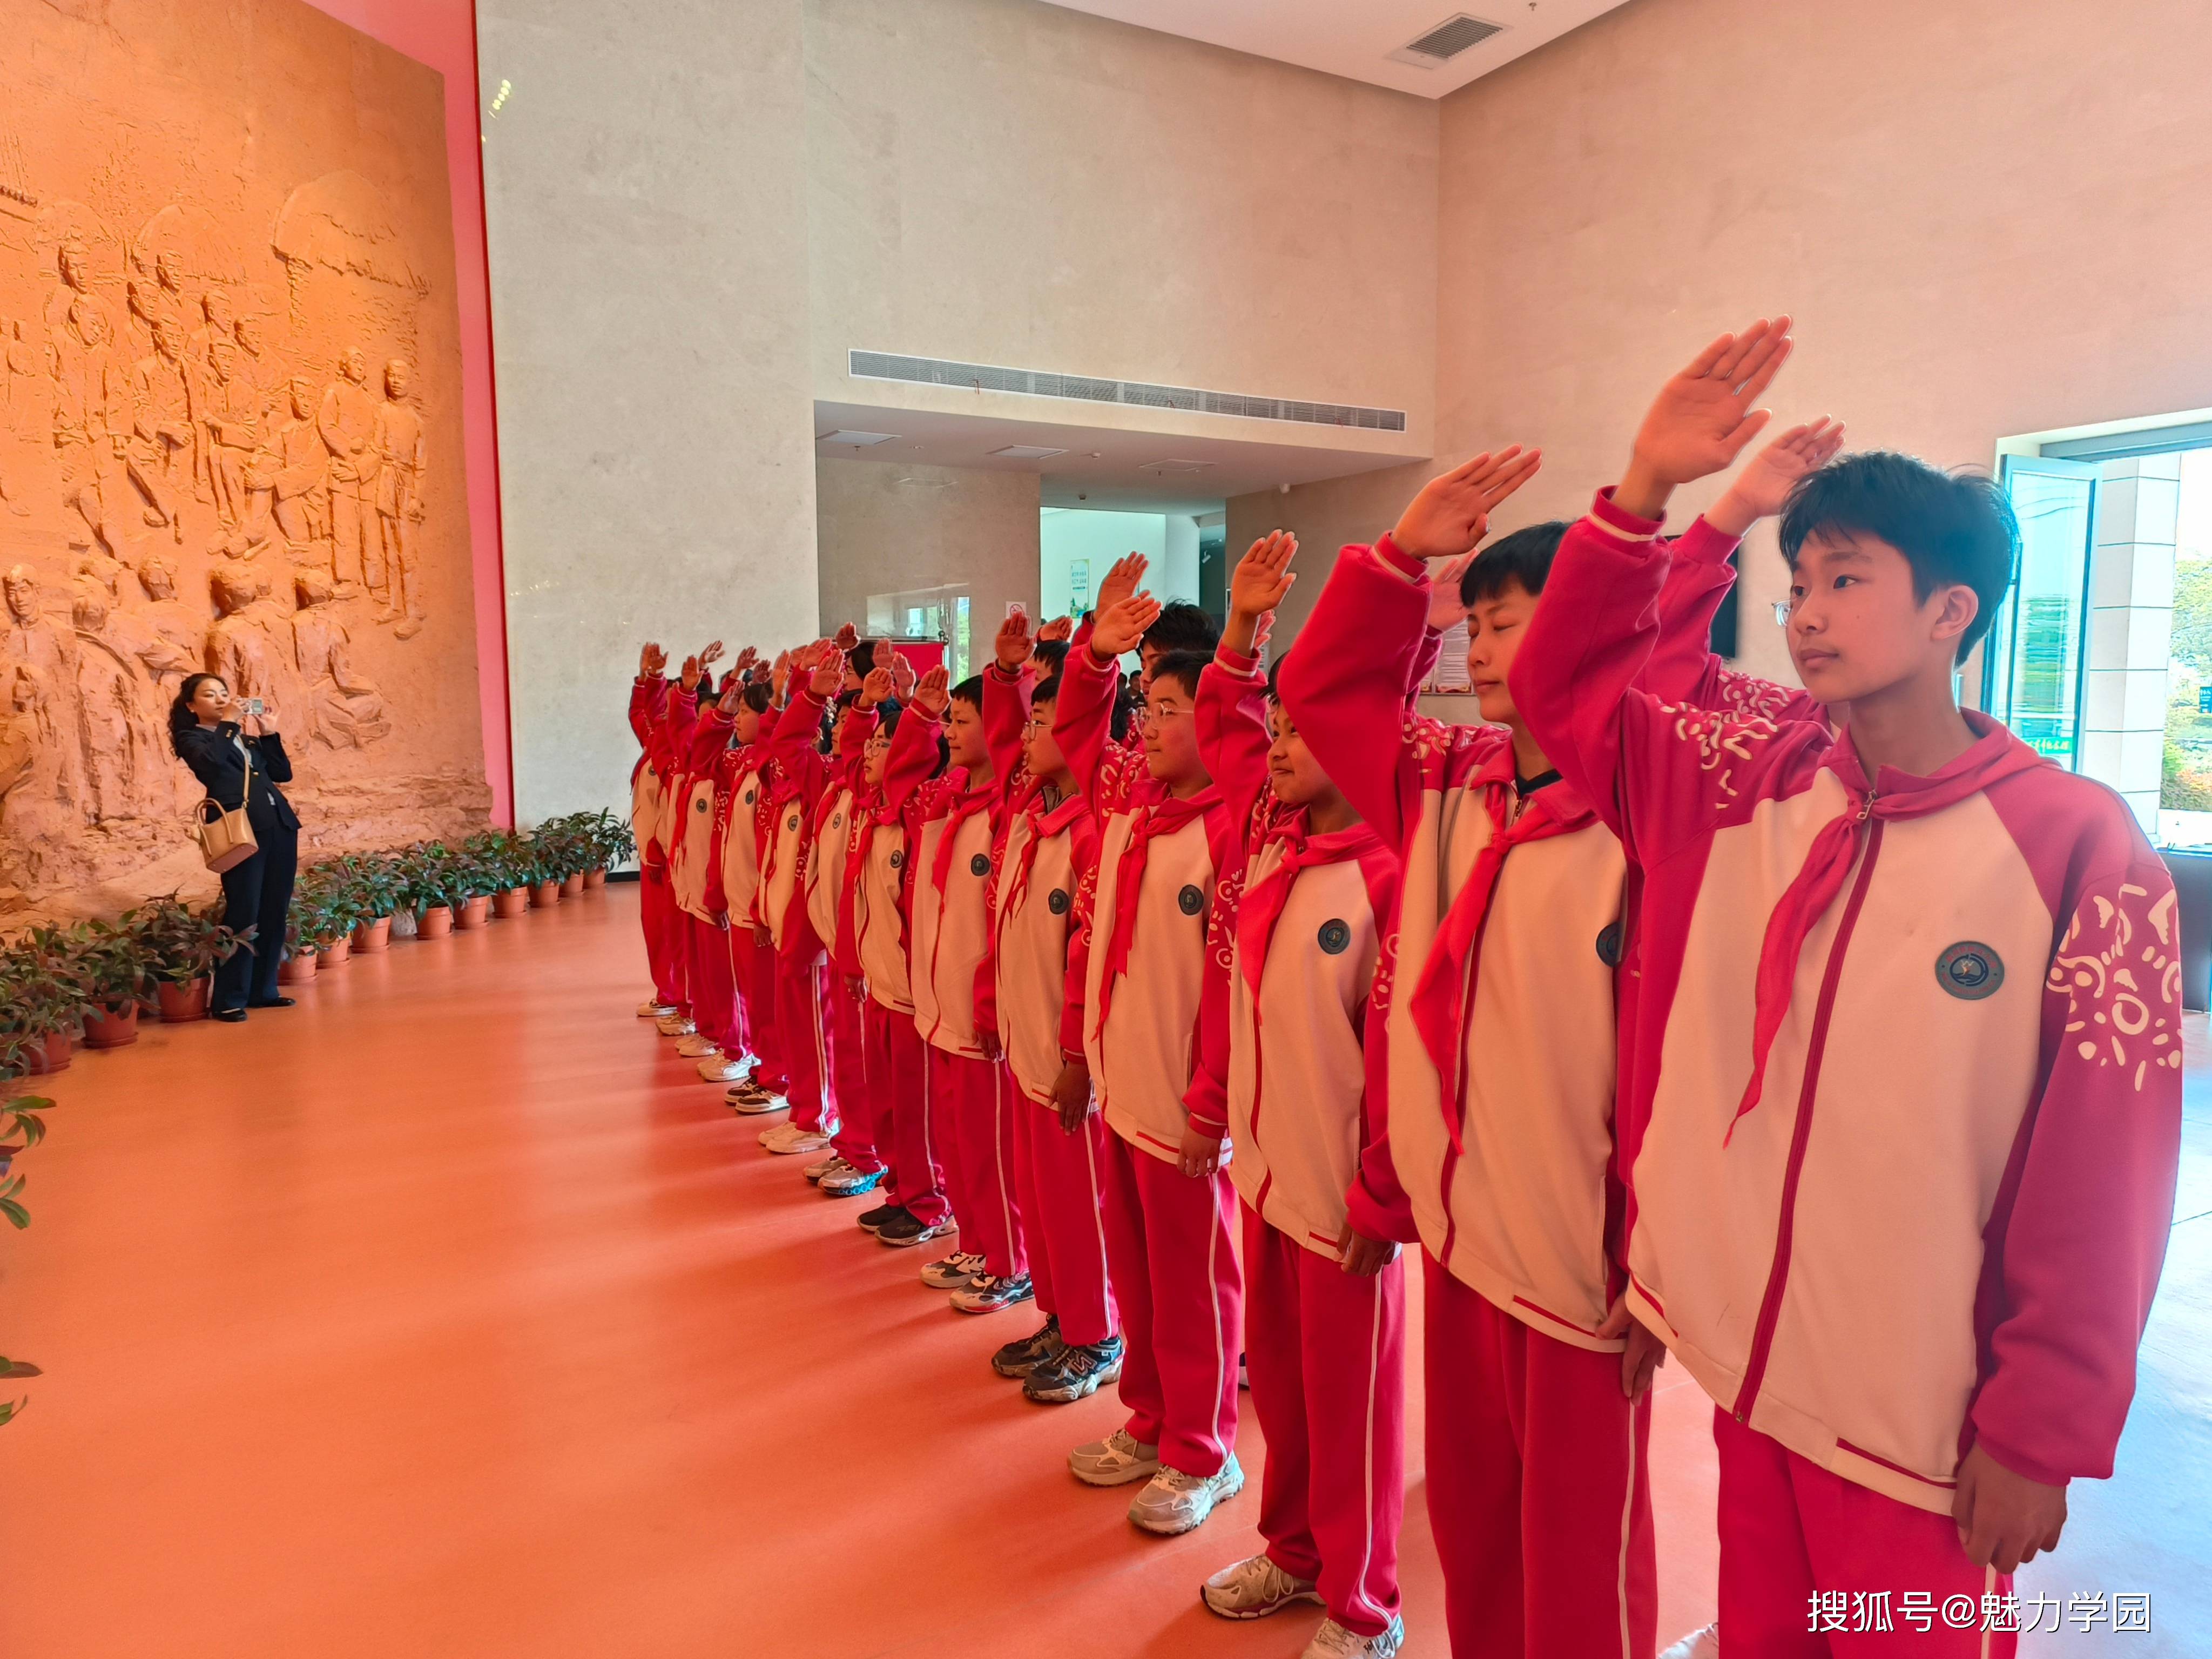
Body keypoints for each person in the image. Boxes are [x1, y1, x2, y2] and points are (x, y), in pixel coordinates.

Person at [1511, 320, 2184, 1658]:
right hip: (1755, 1377)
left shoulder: (2074, 847)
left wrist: (2041, 1426)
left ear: (1952, 611)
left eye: (1847, 578)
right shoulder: (1742, 780)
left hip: (1919, 1423)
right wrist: (1653, 501)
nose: (1805, 611)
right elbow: (1567, 683)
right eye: (1798, 581)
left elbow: (2102, 1172)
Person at [1190, 532, 1410, 1659]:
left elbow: (1396, 1062)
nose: (1276, 748)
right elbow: (1220, 738)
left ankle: (1361, 1603)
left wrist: (1378, 1200)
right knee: (1279, 1383)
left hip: (1342, 1203)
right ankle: (1290, 1549)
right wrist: (1237, 637)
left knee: (1352, 1407)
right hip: (1266, 1175)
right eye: (1275, 727)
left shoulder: (1387, 872)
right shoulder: (1268, 844)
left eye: (1301, 730)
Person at [1054, 559, 1245, 1537]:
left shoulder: (1232, 829)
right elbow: (1075, 730)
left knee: (1192, 1281)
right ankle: (1151, 1414)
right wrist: (1096, 654)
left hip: (1182, 1105)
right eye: (1151, 705)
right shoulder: (1132, 804)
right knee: (1139, 1271)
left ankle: (1204, 1449)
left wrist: (1209, 1101)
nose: (1151, 725)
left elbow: (1221, 987)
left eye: (1172, 708)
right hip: (1121, 1083)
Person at [981, 610, 1129, 1397]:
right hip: (1025, 1049)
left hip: (1067, 1065)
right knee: (1043, 1203)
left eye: (1044, 724)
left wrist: (1077, 1057)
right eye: (1029, 722)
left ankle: (1098, 1334)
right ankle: (1062, 1314)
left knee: (1081, 1210)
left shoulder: (1089, 836)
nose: (1029, 737)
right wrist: (1011, 677)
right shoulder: (1032, 824)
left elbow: (1085, 960)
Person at [891, 660, 1033, 1310]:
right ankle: (978, 1241)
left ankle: (1010, 1259)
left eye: (961, 719)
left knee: (990, 1148)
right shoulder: (943, 800)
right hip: (940, 1000)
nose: (950, 731)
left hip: (981, 1013)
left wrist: (1008, 676)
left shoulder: (1004, 806)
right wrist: (913, 716)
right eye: (947, 720)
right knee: (958, 1138)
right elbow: (893, 777)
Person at [171, 672, 299, 1021]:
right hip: (241, 834)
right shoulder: (192, 738)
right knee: (244, 912)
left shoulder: (245, 738)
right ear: (191, 705)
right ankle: (228, 997)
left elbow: (282, 774)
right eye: (210, 695)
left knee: (274, 911)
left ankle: (263, 991)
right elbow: (210, 766)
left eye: (224, 694)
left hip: (280, 827)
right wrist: (228, 723)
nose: (220, 699)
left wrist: (269, 732)